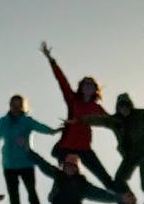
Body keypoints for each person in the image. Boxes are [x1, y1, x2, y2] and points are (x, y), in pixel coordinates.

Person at [0, 147, 135, 204]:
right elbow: (44, 165)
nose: (69, 169)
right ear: (64, 167)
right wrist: (29, 151)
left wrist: (120, 198)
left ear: (76, 169)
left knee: (70, 195)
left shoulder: (81, 183)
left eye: (72, 167)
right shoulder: (59, 175)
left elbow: (100, 194)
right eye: (67, 167)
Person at [40, 43, 120, 188]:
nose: (88, 86)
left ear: (95, 89)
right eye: (85, 84)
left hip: (84, 146)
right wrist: (51, 59)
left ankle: (125, 201)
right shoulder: (73, 101)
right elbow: (62, 81)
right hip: (67, 146)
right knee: (66, 175)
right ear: (81, 87)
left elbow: (110, 121)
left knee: (103, 176)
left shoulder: (96, 107)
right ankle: (59, 196)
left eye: (91, 85)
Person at [0, 94, 57, 204]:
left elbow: (41, 127)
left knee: (32, 193)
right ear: (10, 106)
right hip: (9, 165)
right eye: (13, 105)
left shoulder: (27, 121)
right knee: (14, 196)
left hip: (26, 163)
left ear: (23, 107)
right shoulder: (2, 122)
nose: (16, 108)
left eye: (18, 105)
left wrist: (53, 131)